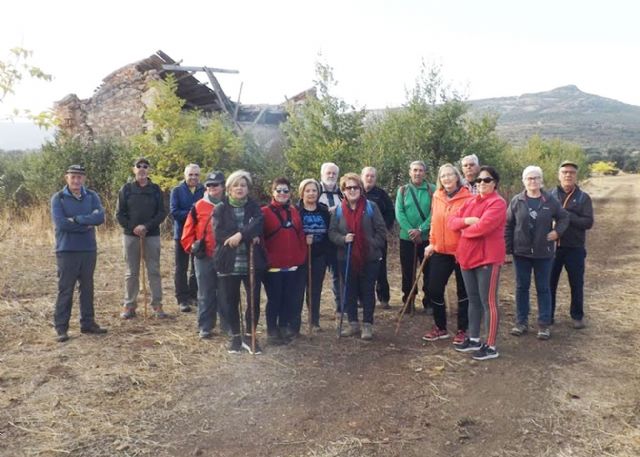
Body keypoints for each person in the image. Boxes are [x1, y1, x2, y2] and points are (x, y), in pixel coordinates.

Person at [449, 166, 506, 360]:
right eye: (478, 181)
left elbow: (482, 228)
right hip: (467, 258)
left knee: (488, 302)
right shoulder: (471, 201)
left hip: (487, 259)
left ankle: (490, 346)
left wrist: (464, 228)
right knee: (473, 300)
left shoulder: (498, 203)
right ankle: (474, 339)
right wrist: (468, 220)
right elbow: (452, 222)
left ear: (495, 183)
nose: (482, 183)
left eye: (487, 180)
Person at [506, 166, 569, 340]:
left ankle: (544, 325)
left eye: (536, 178)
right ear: (523, 181)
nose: (532, 181)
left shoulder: (550, 200)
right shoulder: (517, 201)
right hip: (521, 253)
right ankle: (521, 322)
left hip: (544, 253)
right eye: (529, 178)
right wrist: (508, 249)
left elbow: (564, 218)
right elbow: (508, 225)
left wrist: (557, 233)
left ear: (541, 180)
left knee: (543, 288)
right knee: (521, 288)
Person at [50, 165, 107, 342]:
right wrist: (86, 224)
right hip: (67, 250)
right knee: (65, 289)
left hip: (88, 249)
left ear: (84, 179)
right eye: (73, 177)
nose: (76, 180)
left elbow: (100, 218)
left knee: (87, 287)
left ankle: (88, 324)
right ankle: (61, 328)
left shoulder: (92, 196)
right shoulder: (58, 198)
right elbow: (61, 224)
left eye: (79, 177)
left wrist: (76, 219)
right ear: (66, 178)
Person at [213, 170, 266, 354]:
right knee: (230, 301)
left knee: (253, 301)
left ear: (247, 188)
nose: (240, 188)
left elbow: (258, 224)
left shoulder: (254, 207)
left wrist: (240, 235)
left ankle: (250, 336)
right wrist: (248, 233)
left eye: (243, 185)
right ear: (228, 189)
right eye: (236, 185)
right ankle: (236, 337)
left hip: (251, 261)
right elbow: (219, 234)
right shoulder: (220, 208)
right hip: (229, 261)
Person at [329, 173, 387, 340]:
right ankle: (353, 323)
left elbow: (381, 231)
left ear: (361, 189)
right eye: (349, 188)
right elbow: (332, 232)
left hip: (369, 258)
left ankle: (367, 325)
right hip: (345, 257)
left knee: (368, 290)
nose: (352, 190)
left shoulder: (371, 207)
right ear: (343, 191)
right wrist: (343, 239)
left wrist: (371, 244)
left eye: (356, 187)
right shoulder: (338, 210)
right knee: (349, 291)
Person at [422, 164, 472, 345]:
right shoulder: (437, 196)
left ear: (457, 177)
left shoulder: (469, 197)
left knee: (463, 292)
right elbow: (435, 223)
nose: (447, 178)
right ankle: (440, 327)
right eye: (443, 176)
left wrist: (466, 247)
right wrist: (431, 243)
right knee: (433, 288)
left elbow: (471, 225)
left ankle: (462, 330)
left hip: (462, 251)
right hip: (440, 251)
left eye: (450, 175)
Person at [116, 157, 168, 319]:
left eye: (145, 166)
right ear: (134, 170)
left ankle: (157, 305)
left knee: (154, 270)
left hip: (151, 235)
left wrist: (146, 226)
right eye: (139, 166)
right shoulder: (126, 189)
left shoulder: (155, 190)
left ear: (149, 170)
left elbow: (161, 212)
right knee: (131, 272)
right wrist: (134, 228)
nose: (142, 169)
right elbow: (119, 214)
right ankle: (129, 305)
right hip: (131, 236)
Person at [262, 177, 307, 345]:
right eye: (278, 190)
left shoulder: (294, 211)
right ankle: (271, 330)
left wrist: (301, 256)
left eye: (285, 191)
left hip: (292, 265)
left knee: (288, 298)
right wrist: (265, 259)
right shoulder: (264, 212)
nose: (282, 193)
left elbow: (300, 234)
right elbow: (260, 237)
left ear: (290, 193)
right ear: (272, 192)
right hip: (273, 266)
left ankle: (283, 327)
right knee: (275, 298)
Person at [181, 171, 225, 339]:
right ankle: (205, 326)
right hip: (204, 256)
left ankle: (227, 325)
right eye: (209, 185)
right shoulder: (198, 206)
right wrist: (192, 246)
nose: (212, 188)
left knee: (225, 293)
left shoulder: (229, 204)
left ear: (223, 187)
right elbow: (188, 230)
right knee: (205, 292)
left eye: (216, 185)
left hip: (225, 256)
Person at [550, 160, 594, 329]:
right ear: (558, 175)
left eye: (572, 172)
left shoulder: (583, 198)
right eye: (564, 172)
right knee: (549, 283)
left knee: (576, 283)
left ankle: (577, 316)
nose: (568, 175)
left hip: (574, 247)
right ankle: (548, 315)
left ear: (576, 176)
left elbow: (588, 222)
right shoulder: (549, 195)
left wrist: (566, 216)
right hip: (553, 248)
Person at [395, 160, 435, 314]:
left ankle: (429, 302)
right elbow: (399, 212)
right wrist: (410, 230)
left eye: (420, 170)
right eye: (414, 170)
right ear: (409, 172)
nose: (417, 173)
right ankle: (409, 301)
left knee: (429, 271)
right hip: (406, 238)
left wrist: (421, 229)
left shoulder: (433, 190)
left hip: (428, 238)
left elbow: (435, 212)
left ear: (425, 173)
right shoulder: (403, 190)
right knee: (407, 272)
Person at [297, 178, 331, 332]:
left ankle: (314, 320)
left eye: (314, 190)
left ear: (318, 193)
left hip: (319, 255)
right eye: (308, 190)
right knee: (298, 289)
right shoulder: (295, 211)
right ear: (302, 193)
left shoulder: (324, 211)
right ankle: (295, 321)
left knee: (315, 289)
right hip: (300, 256)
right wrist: (303, 240)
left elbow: (330, 232)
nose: (311, 193)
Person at [170, 164, 205, 313]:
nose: (193, 178)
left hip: (199, 235)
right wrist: (193, 213)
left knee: (196, 266)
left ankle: (193, 295)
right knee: (181, 267)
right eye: (191, 175)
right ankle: (182, 299)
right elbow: (174, 212)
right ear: (185, 175)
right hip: (182, 235)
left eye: (196, 175)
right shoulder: (177, 191)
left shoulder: (204, 190)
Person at [361, 166, 395, 309]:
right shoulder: (355, 191)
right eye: (367, 175)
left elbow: (390, 213)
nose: (369, 178)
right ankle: (361, 299)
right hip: (359, 237)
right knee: (361, 268)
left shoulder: (381, 194)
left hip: (378, 238)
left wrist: (384, 229)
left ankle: (384, 298)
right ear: (362, 176)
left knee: (380, 268)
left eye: (372, 176)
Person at [318, 162, 344, 321]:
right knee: (316, 278)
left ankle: (340, 308)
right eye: (328, 173)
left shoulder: (343, 193)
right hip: (319, 241)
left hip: (336, 241)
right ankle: (314, 312)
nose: (331, 176)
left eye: (334, 173)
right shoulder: (314, 190)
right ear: (322, 174)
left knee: (338, 275)